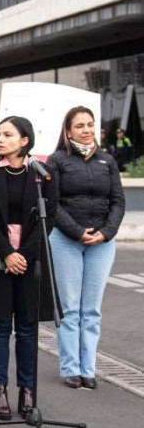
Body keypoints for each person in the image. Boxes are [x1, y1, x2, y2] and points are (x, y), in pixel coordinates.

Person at [0, 116, 57, 420]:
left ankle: (27, 390)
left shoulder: (42, 174)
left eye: (8, 134)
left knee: (28, 327)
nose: (0, 139)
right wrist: (7, 252)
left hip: (32, 257)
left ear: (25, 140)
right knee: (0, 325)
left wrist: (24, 255)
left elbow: (50, 217)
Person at [47, 106, 125, 390]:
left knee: (92, 310)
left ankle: (88, 369)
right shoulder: (57, 161)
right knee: (71, 308)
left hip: (102, 244)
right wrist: (78, 232)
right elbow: (52, 205)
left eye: (90, 124)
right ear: (68, 131)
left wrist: (106, 233)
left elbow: (118, 201)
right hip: (67, 241)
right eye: (80, 125)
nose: (86, 130)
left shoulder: (107, 160)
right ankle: (70, 368)